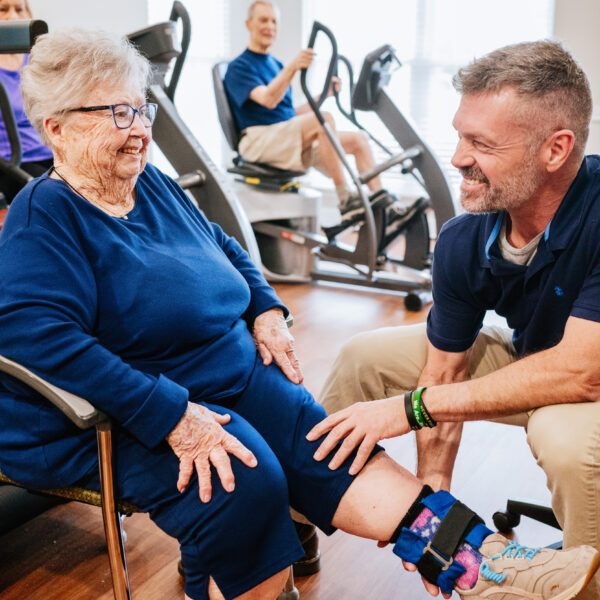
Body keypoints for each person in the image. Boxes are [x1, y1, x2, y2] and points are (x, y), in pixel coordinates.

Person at [0, 29, 597, 600]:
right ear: (56, 128)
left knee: (328, 445)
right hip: (137, 406)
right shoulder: (44, 218)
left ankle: (483, 562)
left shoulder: (152, 186)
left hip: (228, 374)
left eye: (140, 111)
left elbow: (224, 248)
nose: (138, 133)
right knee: (246, 480)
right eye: (117, 116)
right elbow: (38, 338)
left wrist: (264, 307)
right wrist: (172, 415)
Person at [314, 40, 600, 600]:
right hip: (543, 355)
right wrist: (432, 503)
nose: (457, 158)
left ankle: (587, 584)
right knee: (362, 357)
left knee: (561, 435)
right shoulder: (468, 235)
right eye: (460, 135)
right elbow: (443, 372)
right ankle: (299, 513)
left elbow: (582, 375)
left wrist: (410, 409)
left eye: (481, 144)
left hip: (589, 373)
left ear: (556, 150)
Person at [224, 0, 420, 240]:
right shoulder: (238, 67)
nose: (270, 26)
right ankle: (346, 200)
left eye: (274, 21)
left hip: (283, 136)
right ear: (249, 24)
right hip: (259, 142)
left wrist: (324, 94)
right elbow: (267, 100)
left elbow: (291, 114)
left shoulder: (275, 64)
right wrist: (294, 66)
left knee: (358, 140)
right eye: (263, 20)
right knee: (322, 120)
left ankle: (384, 211)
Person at [0, 0, 53, 204]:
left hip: (48, 152)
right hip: (11, 163)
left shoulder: (35, 59)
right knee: (52, 194)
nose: (12, 16)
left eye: (19, 9)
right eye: (3, 10)